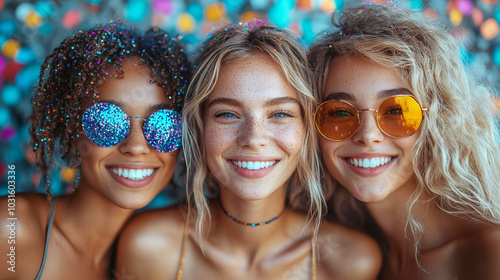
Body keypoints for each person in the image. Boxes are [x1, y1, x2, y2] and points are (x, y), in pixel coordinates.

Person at [116, 21, 381, 280]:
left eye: (279, 114)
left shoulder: (351, 260)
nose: (253, 139)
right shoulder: (149, 246)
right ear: (198, 127)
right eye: (228, 114)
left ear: (307, 128)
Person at [308, 4, 500, 279]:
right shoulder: (340, 257)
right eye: (339, 112)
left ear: (438, 120)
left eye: (396, 110)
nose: (367, 135)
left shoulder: (490, 251)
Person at [0, 23, 190, 279]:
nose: (136, 146)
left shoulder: (155, 259)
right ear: (71, 132)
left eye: (164, 125)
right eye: (107, 122)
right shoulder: (13, 229)